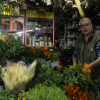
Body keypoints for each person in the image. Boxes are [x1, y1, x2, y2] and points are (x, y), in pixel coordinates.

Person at [72, 17, 100, 97]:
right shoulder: (79, 40)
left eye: (86, 25)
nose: (84, 27)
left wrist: (88, 67)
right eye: (82, 26)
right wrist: (74, 64)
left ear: (91, 25)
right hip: (81, 76)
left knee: (94, 96)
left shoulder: (97, 39)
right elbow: (74, 54)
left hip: (95, 78)